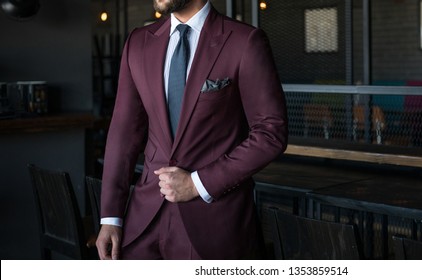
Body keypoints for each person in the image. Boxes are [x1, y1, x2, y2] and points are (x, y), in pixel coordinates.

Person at [96, 0, 288, 260]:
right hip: (142, 224)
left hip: (214, 225)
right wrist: (111, 217)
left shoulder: (244, 41)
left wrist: (198, 184)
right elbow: (123, 133)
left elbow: (270, 133)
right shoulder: (138, 42)